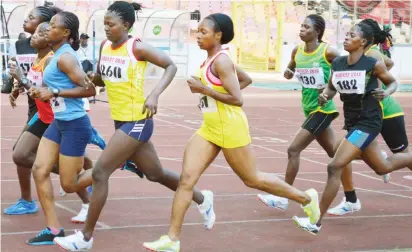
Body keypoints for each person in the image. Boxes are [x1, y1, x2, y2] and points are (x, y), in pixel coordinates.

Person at [143, 13, 320, 252]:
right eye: (199, 31)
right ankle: (172, 240)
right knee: (186, 180)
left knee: (252, 179)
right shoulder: (213, 58)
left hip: (230, 128)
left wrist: (205, 90)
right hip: (210, 128)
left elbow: (238, 99)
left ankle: (307, 199)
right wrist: (208, 94)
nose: (198, 35)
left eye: (204, 32)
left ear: (218, 35)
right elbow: (245, 79)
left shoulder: (221, 62)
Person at [53, 2, 216, 250]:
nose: (106, 28)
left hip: (138, 121)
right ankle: (203, 198)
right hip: (121, 121)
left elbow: (170, 66)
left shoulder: (136, 47)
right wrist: (92, 79)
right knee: (155, 173)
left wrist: (155, 95)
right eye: (104, 24)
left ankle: (85, 238)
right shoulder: (106, 46)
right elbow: (100, 78)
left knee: (100, 173)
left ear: (126, 25)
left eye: (111, 24)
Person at [292, 23, 412, 235]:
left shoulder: (373, 64)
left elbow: (392, 83)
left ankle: (315, 221)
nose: (346, 38)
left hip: (369, 122)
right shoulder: (338, 63)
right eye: (346, 35)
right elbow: (331, 87)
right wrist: (325, 95)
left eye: (351, 35)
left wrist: (387, 93)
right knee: (382, 167)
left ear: (363, 42)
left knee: (334, 166)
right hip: (353, 123)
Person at [257, 14, 346, 211]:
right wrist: (288, 72)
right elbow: (290, 69)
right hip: (308, 108)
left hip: (322, 110)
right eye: (302, 26)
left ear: (317, 32)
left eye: (307, 27)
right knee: (337, 155)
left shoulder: (329, 52)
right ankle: (369, 164)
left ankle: (283, 197)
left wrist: (329, 90)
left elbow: (345, 70)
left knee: (293, 149)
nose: (302, 29)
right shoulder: (297, 51)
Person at [26, 11, 97, 245]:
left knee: (69, 183)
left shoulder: (66, 58)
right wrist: (42, 92)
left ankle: (111, 164)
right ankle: (54, 229)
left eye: (52, 26)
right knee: (39, 170)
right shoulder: (54, 56)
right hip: (59, 122)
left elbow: (89, 91)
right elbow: (55, 88)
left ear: (65, 33)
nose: (47, 29)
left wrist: (54, 92)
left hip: (75, 124)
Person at [327, 18, 409, 216]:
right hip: (363, 116)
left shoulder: (370, 55)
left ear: (365, 38)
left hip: (387, 111)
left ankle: (351, 198)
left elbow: (387, 67)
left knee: (403, 156)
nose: (349, 35)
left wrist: (379, 86)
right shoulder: (357, 56)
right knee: (342, 154)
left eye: (354, 32)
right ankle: (350, 199)